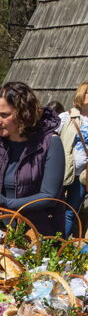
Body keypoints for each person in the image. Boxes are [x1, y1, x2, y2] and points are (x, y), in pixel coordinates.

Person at [0, 82, 65, 236]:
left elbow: (49, 195)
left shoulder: (50, 144)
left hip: (37, 233)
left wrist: (6, 203)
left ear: (23, 113)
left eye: (4, 115)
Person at [58, 81, 88, 237]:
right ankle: (48, 241)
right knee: (53, 207)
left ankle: (60, 246)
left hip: (83, 175)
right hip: (62, 171)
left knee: (70, 212)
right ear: (81, 94)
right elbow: (49, 138)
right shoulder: (66, 117)